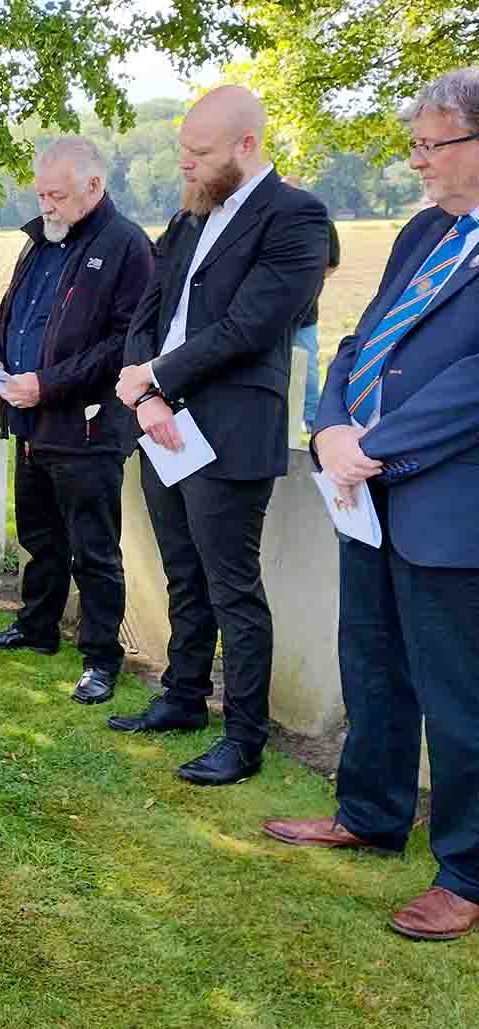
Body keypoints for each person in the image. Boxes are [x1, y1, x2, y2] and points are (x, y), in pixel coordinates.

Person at [262, 67, 479, 942]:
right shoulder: (427, 230)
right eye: (415, 143)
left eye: (432, 144)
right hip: (368, 492)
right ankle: (372, 811)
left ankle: (466, 870)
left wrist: (375, 446)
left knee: (458, 697)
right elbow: (362, 336)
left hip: (446, 503)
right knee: (373, 663)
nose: (417, 160)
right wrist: (331, 426)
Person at [110, 85, 329, 786]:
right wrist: (144, 392)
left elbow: (249, 326)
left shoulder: (295, 218)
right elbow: (146, 314)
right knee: (182, 571)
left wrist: (156, 382)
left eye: (199, 154)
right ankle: (182, 696)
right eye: (183, 153)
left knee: (232, 584)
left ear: (245, 146)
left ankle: (244, 735)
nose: (188, 167)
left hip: (227, 427)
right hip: (160, 422)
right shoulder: (186, 220)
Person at [0, 137, 154, 706]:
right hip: (29, 418)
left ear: (94, 187)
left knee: (93, 547)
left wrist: (48, 384)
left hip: (88, 426)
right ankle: (36, 626)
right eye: (41, 193)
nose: (46, 205)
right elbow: (10, 309)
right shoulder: (39, 241)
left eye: (57, 195)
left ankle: (101, 656)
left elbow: (124, 341)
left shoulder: (127, 247)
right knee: (40, 534)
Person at [282, 175, 342, 434]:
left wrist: (306, 286)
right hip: (269, 316)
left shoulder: (321, 223)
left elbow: (332, 263)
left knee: (306, 367)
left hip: (305, 314)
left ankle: (313, 422)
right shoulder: (269, 222)